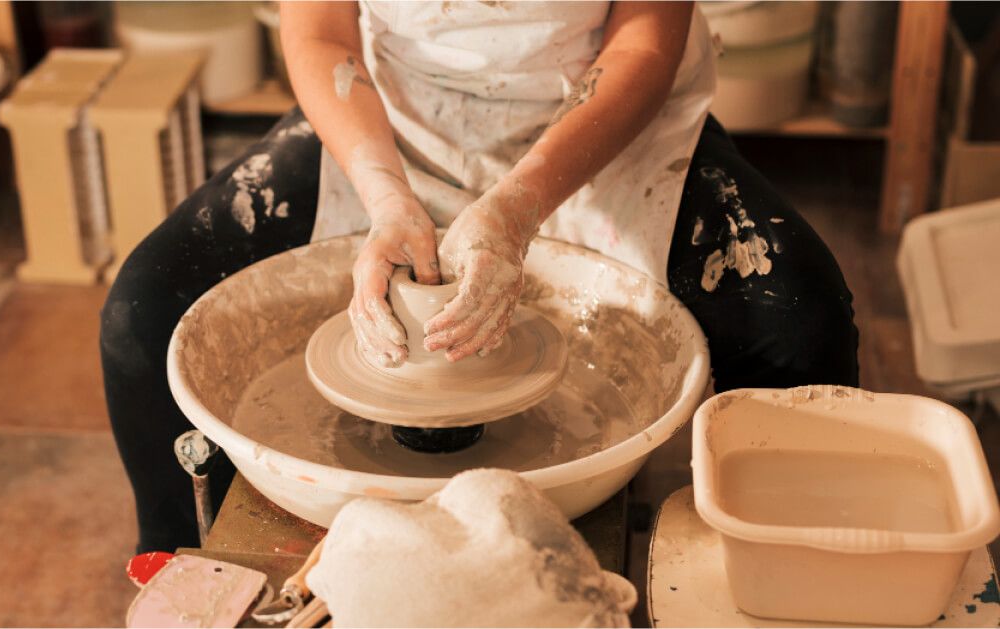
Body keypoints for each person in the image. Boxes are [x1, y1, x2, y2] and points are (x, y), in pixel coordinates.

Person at [101, 1, 859, 554]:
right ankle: (183, 574)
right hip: (392, 115)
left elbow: (643, 43)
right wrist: (383, 192)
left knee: (799, 324)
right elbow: (321, 30)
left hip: (601, 113)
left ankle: (756, 581)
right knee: (145, 311)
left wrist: (519, 206)